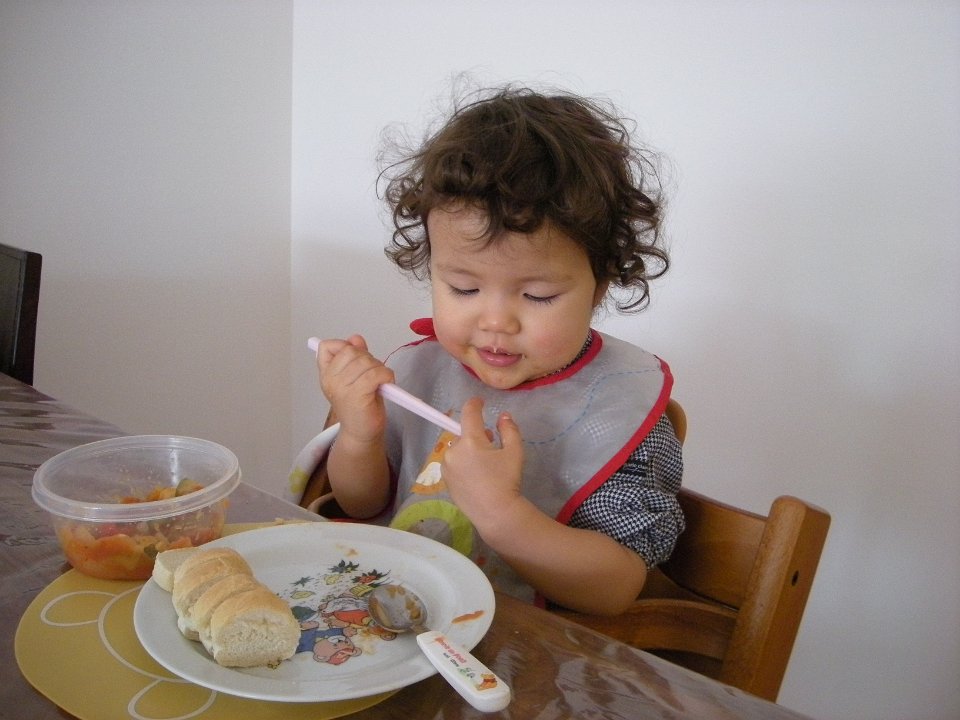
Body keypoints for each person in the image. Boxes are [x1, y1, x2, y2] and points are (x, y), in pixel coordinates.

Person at [314, 85, 684, 616]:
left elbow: (615, 589)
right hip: (394, 625)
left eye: (538, 296)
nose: (495, 322)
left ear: (600, 286)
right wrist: (359, 435)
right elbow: (363, 504)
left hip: (522, 652)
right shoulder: (421, 371)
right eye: (463, 288)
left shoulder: (617, 408)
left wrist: (502, 515)